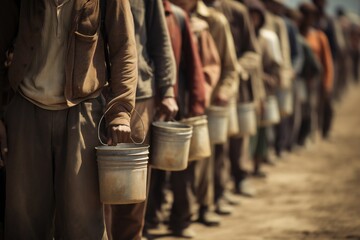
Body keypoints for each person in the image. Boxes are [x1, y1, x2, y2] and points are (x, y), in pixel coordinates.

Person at [0, 0, 138, 239]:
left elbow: (124, 48)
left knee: (83, 223)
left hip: (83, 112)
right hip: (25, 110)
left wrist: (121, 112)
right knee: (23, 222)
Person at [106, 0, 179, 239]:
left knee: (131, 188)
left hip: (140, 96)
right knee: (92, 190)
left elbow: (161, 40)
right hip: (90, 95)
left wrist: (168, 91)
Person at [203, 0, 265, 198]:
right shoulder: (189, 7)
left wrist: (235, 68)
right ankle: (216, 193)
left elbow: (253, 52)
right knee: (212, 146)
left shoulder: (237, 12)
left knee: (235, 141)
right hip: (203, 87)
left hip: (234, 87)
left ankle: (238, 180)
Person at [299, 2, 334, 141]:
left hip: (313, 79)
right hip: (299, 78)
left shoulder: (319, 37)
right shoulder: (295, 34)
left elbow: (327, 63)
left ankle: (310, 134)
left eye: (310, 16)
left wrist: (327, 82)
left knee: (312, 107)